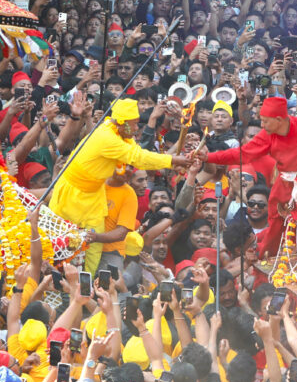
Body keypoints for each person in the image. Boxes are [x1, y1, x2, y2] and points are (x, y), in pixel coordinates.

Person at [50, 98, 191, 272]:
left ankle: (88, 281)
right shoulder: (107, 137)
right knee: (62, 243)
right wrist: (173, 160)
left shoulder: (120, 132)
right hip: (72, 194)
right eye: (134, 123)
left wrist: (171, 162)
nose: (136, 128)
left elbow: (137, 151)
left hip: (93, 197)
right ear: (122, 123)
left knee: (93, 247)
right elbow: (138, 158)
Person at [198, 96, 297, 255]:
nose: (262, 125)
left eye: (265, 121)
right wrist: (209, 157)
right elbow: (242, 154)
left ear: (279, 120)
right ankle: (267, 254)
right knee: (276, 218)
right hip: (286, 183)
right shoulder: (267, 134)